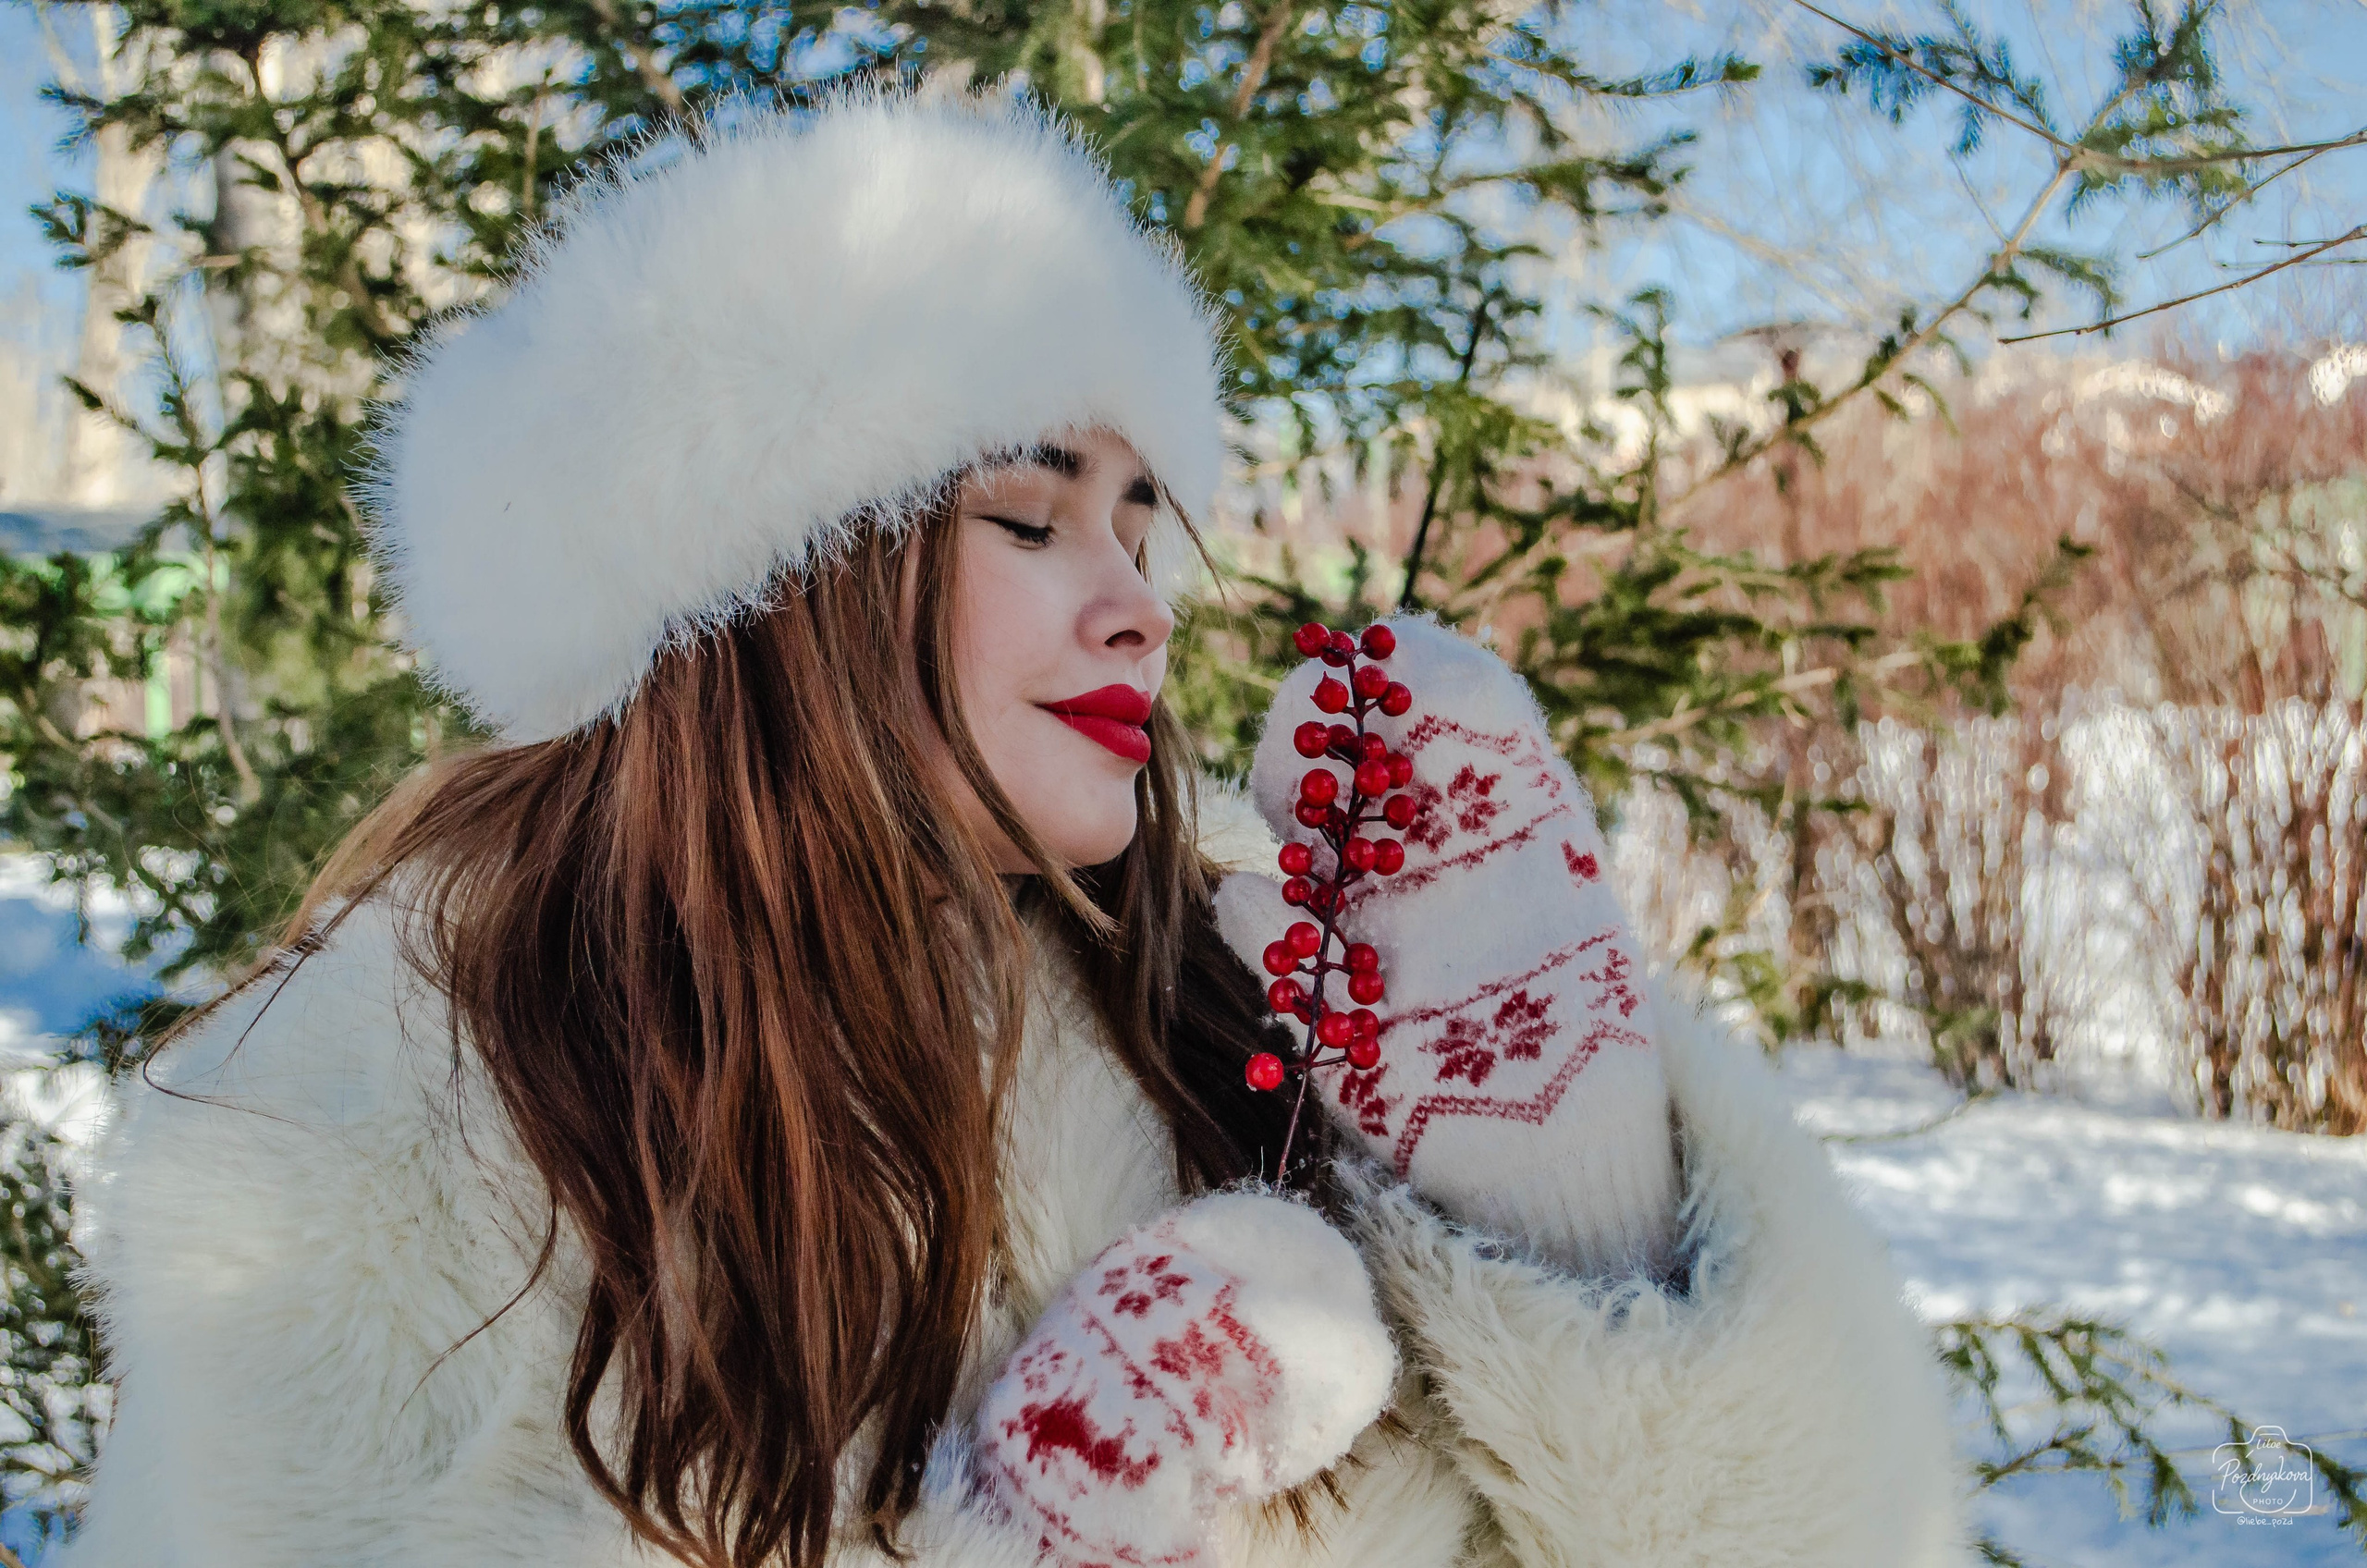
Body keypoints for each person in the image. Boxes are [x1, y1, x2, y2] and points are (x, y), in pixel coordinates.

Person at [59, 85, 1970, 1568]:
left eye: (1142, 517)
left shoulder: (1241, 969)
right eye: (1029, 512)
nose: (1138, 593)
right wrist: (1007, 1527)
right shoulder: (389, 1090)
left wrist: (1581, 1225)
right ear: (772, 577)